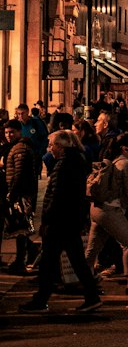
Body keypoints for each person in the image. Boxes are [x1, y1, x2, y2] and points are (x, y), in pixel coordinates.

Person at [18, 130, 103, 315]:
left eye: (52, 145)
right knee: (72, 259)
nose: (50, 149)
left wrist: (47, 219)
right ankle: (89, 295)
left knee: (51, 261)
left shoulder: (65, 164)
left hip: (60, 221)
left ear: (61, 146)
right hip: (68, 219)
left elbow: (56, 195)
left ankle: (43, 299)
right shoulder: (73, 161)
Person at [83, 132, 128, 294]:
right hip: (111, 211)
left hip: (97, 209)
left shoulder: (113, 162)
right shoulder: (127, 165)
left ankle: (82, 280)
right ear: (125, 148)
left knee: (93, 248)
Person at [2, 118, 40, 274]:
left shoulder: (20, 149)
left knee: (21, 229)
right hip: (21, 194)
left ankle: (21, 261)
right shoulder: (17, 147)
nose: (8, 135)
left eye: (11, 132)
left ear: (19, 131)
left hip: (21, 195)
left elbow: (19, 174)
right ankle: (28, 255)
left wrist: (12, 193)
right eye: (6, 132)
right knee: (20, 229)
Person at [14, 103, 47, 175]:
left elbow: (44, 138)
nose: (20, 116)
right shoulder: (17, 125)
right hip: (21, 155)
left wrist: (40, 152)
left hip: (35, 155)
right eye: (19, 114)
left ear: (28, 112)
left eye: (22, 113)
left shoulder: (36, 123)